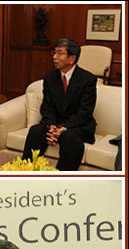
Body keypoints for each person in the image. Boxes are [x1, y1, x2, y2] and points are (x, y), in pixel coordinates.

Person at [22, 38, 97, 171]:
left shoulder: (88, 80)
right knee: (36, 131)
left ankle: (60, 180)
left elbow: (84, 112)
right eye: (54, 53)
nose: (54, 57)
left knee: (69, 138)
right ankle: (25, 172)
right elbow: (47, 106)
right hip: (55, 123)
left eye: (60, 53)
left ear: (72, 58)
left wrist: (62, 129)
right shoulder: (50, 78)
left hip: (77, 126)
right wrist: (51, 127)